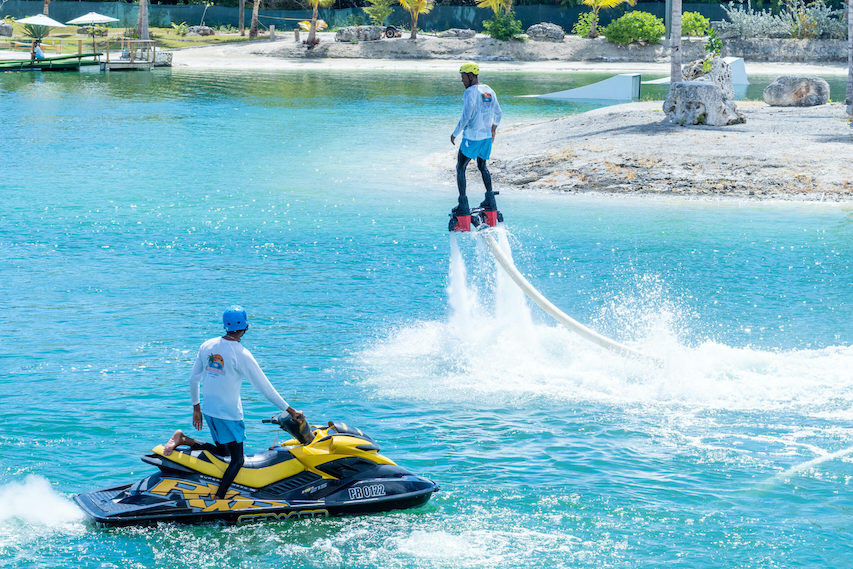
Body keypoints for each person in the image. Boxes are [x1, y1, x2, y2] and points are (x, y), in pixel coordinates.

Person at [163, 305, 304, 500]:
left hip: (209, 410)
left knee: (222, 450)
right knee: (237, 460)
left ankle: (183, 438)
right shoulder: (241, 353)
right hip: (229, 414)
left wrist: (196, 408)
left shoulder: (207, 345)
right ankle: (219, 498)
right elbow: (265, 387)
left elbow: (193, 379)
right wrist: (290, 410)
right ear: (245, 327)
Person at [450, 62, 502, 217]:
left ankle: (463, 204)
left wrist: (454, 133)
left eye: (463, 77)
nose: (462, 80)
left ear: (471, 76)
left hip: (472, 138)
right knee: (482, 166)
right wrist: (493, 129)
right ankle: (490, 201)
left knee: (460, 168)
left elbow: (466, 116)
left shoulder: (470, 92)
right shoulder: (488, 90)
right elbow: (498, 113)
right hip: (486, 138)